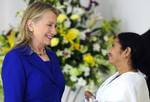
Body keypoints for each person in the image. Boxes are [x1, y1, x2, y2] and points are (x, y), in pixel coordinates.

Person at [1, 2, 65, 102]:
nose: (54, 31)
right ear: (30, 25)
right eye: (49, 25)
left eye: (55, 26)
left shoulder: (52, 56)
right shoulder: (15, 58)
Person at [85, 31, 150, 102]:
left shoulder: (130, 82)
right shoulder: (120, 77)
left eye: (113, 46)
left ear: (126, 51)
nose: (109, 51)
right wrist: (92, 99)